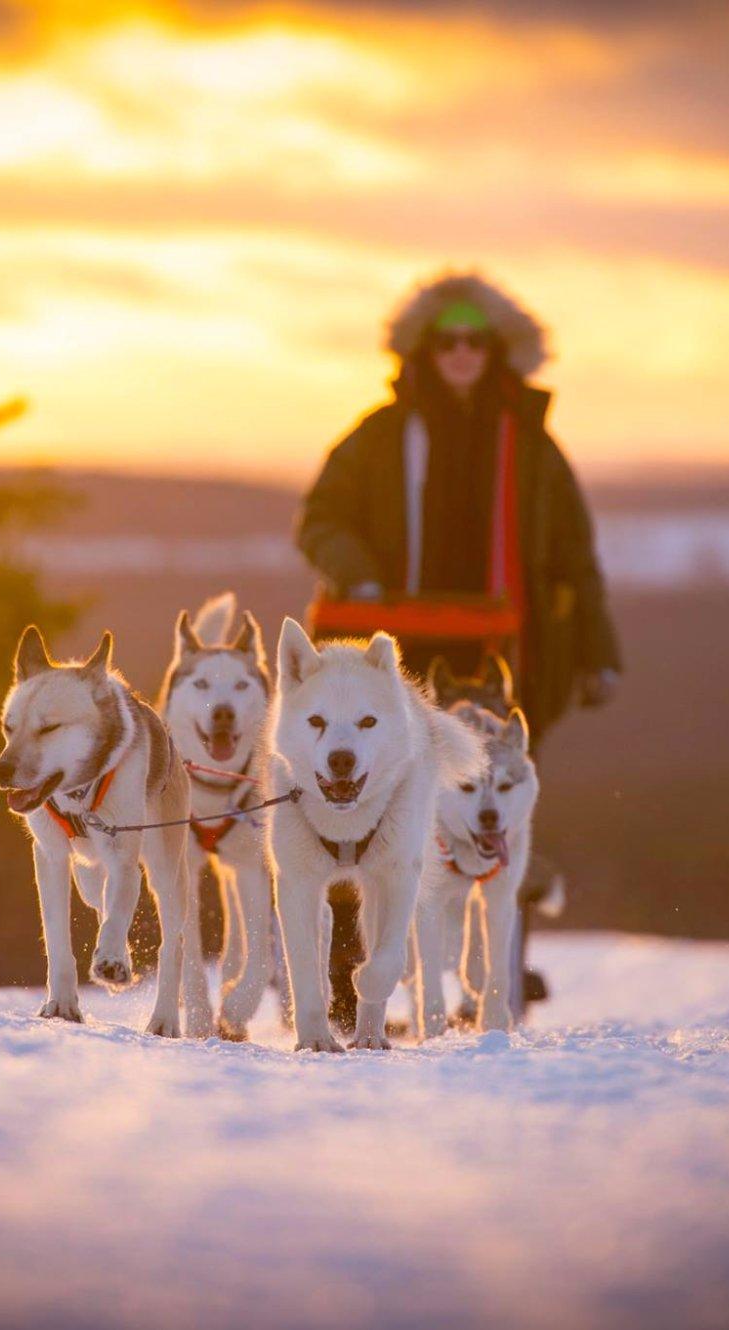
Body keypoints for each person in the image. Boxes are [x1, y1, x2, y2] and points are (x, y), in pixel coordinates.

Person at [294, 271, 621, 1029]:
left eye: (479, 340)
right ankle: (353, 992)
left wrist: (599, 652)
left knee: (493, 808)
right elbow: (321, 517)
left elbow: (576, 554)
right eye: (449, 340)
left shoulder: (533, 445)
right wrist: (360, 576)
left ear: (500, 349)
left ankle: (495, 987)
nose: (464, 352)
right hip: (393, 662)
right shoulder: (380, 434)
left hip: (511, 653)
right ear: (424, 348)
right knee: (363, 813)